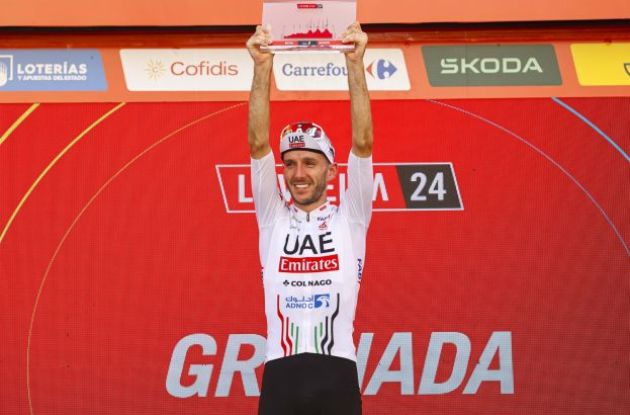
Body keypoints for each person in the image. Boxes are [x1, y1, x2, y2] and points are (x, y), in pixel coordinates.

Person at [246, 22, 374, 415]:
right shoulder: (272, 217)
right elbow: (257, 143)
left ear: (331, 171)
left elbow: (363, 143)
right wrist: (261, 66)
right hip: (281, 376)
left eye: (310, 163)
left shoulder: (351, 217)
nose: (298, 173)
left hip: (337, 373)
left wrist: (355, 64)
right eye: (291, 164)